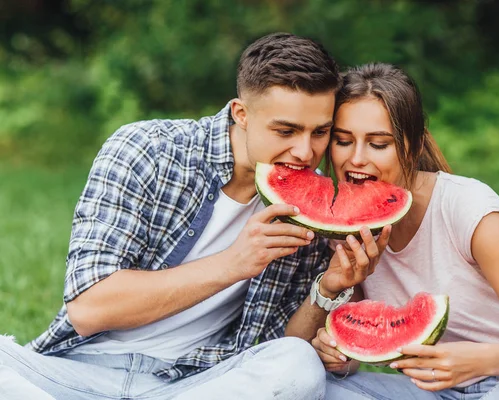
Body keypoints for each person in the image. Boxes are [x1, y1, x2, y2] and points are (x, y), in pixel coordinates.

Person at [0, 32, 382, 400]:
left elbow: (282, 347)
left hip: (197, 384)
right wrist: (234, 263)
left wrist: (328, 289)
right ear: (242, 113)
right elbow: (88, 309)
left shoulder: (316, 210)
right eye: (286, 130)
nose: (304, 151)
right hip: (79, 371)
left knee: (297, 366)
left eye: (321, 133)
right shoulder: (145, 150)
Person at [310, 63, 499, 400]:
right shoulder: (344, 225)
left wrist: (476, 361)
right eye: (342, 141)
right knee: (311, 386)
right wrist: (336, 353)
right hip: (429, 391)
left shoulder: (469, 209)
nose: (356, 158)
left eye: (378, 144)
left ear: (412, 146)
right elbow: (353, 354)